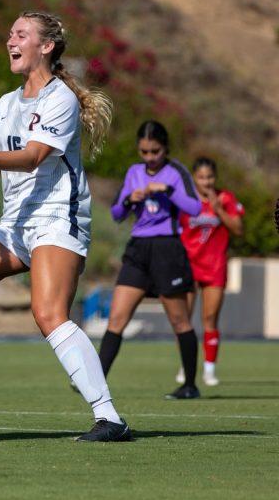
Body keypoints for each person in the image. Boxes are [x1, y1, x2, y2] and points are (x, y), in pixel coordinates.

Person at [0, 11, 131, 442]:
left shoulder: (59, 98)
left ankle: (109, 417)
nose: (10, 40)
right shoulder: (6, 103)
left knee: (47, 314)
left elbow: (34, 156)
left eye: (21, 34)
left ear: (47, 46)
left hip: (58, 220)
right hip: (15, 225)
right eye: (10, 34)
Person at [99, 120, 203, 399]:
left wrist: (167, 191)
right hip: (138, 250)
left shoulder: (176, 171)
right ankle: (95, 381)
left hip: (167, 249)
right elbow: (117, 214)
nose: (149, 158)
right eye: (144, 152)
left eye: (155, 151)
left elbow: (195, 207)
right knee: (116, 318)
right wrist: (130, 200)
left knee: (180, 321)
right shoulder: (133, 172)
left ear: (165, 148)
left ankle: (190, 385)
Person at [178, 157, 244, 387]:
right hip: (188, 264)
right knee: (184, 319)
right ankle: (186, 365)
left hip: (215, 266)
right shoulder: (185, 200)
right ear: (194, 178)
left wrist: (219, 209)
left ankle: (209, 369)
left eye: (210, 177)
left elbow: (238, 228)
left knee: (209, 318)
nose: (206, 182)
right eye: (202, 177)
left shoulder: (225, 198)